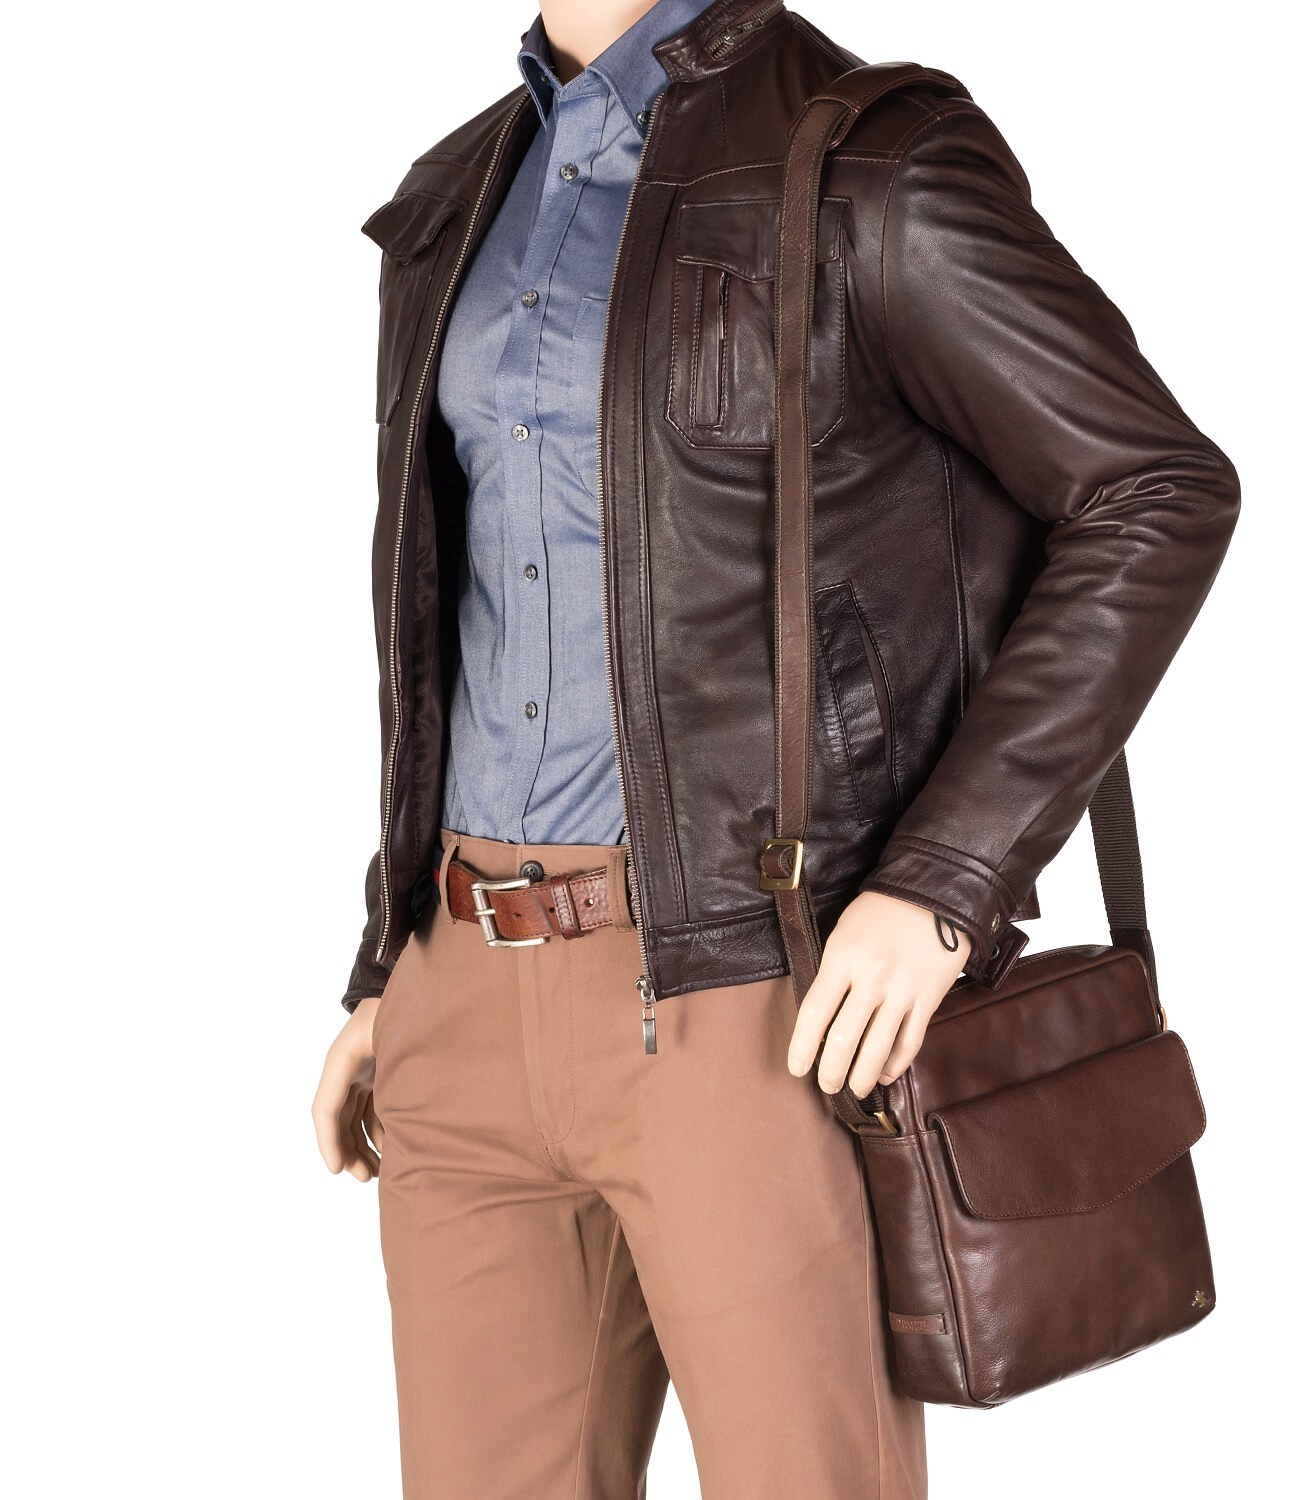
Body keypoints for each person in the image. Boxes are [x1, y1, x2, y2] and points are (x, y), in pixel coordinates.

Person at [311, 1, 1240, 1495]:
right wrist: (393, 955)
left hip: (751, 1004)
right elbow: (457, 606)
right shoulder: (462, 192)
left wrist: (943, 884)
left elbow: (1153, 490)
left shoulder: (872, 159)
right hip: (459, 997)